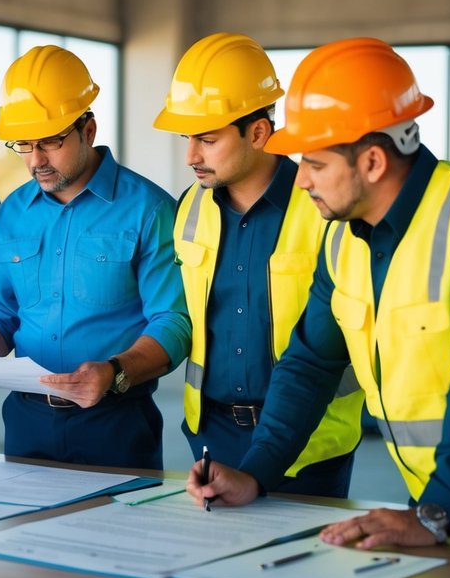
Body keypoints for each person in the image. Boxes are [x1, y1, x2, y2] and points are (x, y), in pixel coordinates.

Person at [188, 37, 450, 547]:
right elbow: (309, 363)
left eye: (316, 164)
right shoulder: (343, 238)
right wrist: (256, 472)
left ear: (371, 162)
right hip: (438, 503)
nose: (300, 182)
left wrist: (434, 515)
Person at [0, 45, 190, 470]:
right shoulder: (12, 213)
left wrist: (114, 372)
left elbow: (173, 322)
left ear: (88, 130)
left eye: (50, 141)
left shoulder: (149, 209)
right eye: (23, 144)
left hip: (117, 422)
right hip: (26, 423)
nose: (35, 160)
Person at [153, 33, 364, 498]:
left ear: (259, 132)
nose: (190, 156)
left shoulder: (325, 206)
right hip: (212, 436)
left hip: (312, 444)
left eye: (207, 140)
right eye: (187, 138)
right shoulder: (190, 207)